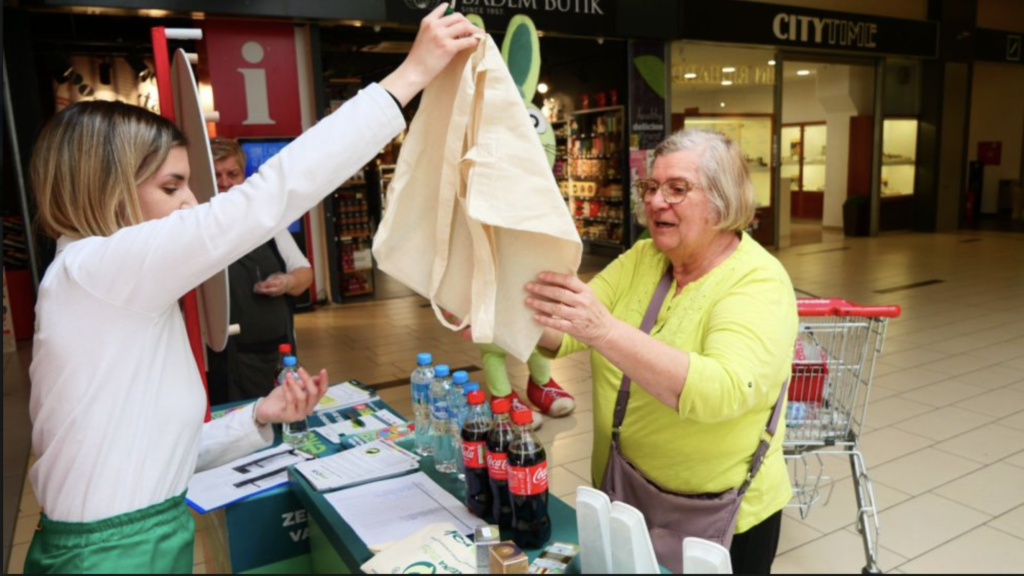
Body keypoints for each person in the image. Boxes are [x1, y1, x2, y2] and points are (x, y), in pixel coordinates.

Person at [25, 5, 479, 573]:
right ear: (109, 188)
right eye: (172, 186)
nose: (192, 203)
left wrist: (257, 416)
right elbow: (268, 197)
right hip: (113, 556)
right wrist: (409, 77)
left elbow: (151, 457)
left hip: (139, 541)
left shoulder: (100, 283)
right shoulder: (96, 269)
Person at [524, 129, 798, 574]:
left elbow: (723, 390)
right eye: (651, 187)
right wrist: (508, 312)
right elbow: (564, 333)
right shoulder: (643, 257)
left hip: (720, 518)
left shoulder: (757, 281)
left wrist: (604, 330)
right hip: (624, 494)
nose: (655, 201)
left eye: (677, 188)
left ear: (722, 201)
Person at [206, 137, 314, 402]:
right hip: (222, 361)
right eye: (216, 175)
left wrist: (287, 282)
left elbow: (305, 273)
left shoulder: (267, 223)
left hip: (275, 355)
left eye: (232, 174)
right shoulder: (198, 228)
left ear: (244, 176)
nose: (225, 182)